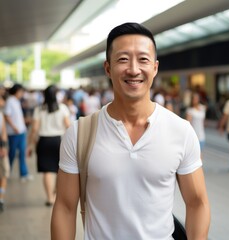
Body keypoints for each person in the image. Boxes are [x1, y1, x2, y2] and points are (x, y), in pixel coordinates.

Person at [51, 22, 210, 240]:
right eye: (123, 59)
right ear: (108, 68)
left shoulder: (180, 131)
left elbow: (197, 203)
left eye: (143, 59)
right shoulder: (80, 134)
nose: (134, 69)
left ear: (155, 67)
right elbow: (65, 207)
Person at [28, 85, 71, 206]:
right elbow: (68, 126)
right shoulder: (63, 108)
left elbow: (34, 128)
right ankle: (56, 194)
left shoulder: (39, 109)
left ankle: (49, 198)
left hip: (44, 141)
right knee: (60, 169)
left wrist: (30, 144)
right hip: (59, 140)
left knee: (47, 171)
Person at [4, 84, 32, 181]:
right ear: (17, 91)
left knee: (22, 152)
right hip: (14, 132)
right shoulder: (10, 101)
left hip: (21, 131)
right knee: (12, 153)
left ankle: (23, 173)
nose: (22, 94)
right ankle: (6, 172)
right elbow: (7, 116)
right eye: (21, 91)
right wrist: (14, 127)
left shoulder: (16, 101)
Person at [0, 95, 10, 212]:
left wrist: (3, 147)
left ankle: (1, 198)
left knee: (4, 173)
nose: (3, 101)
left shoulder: (1, 114)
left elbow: (3, 132)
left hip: (1, 149)